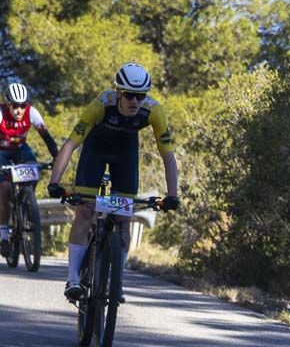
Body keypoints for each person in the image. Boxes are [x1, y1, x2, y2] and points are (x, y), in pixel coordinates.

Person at [46, 63, 179, 300]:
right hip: (95, 152)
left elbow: (167, 155)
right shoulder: (101, 105)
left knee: (122, 218)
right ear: (119, 92)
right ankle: (73, 279)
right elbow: (70, 144)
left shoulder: (154, 111)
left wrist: (172, 195)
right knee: (85, 212)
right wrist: (55, 181)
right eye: (129, 95)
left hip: (125, 156)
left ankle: (115, 281)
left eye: (140, 96)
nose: (135, 101)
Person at [0, 81, 59, 257]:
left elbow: (46, 137)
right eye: (15, 106)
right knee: (4, 189)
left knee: (34, 170)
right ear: (8, 104)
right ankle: (3, 234)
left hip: (20, 150)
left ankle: (26, 200)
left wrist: (57, 157)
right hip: (1, 152)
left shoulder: (32, 112)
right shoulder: (1, 113)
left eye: (22, 105)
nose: (19, 110)